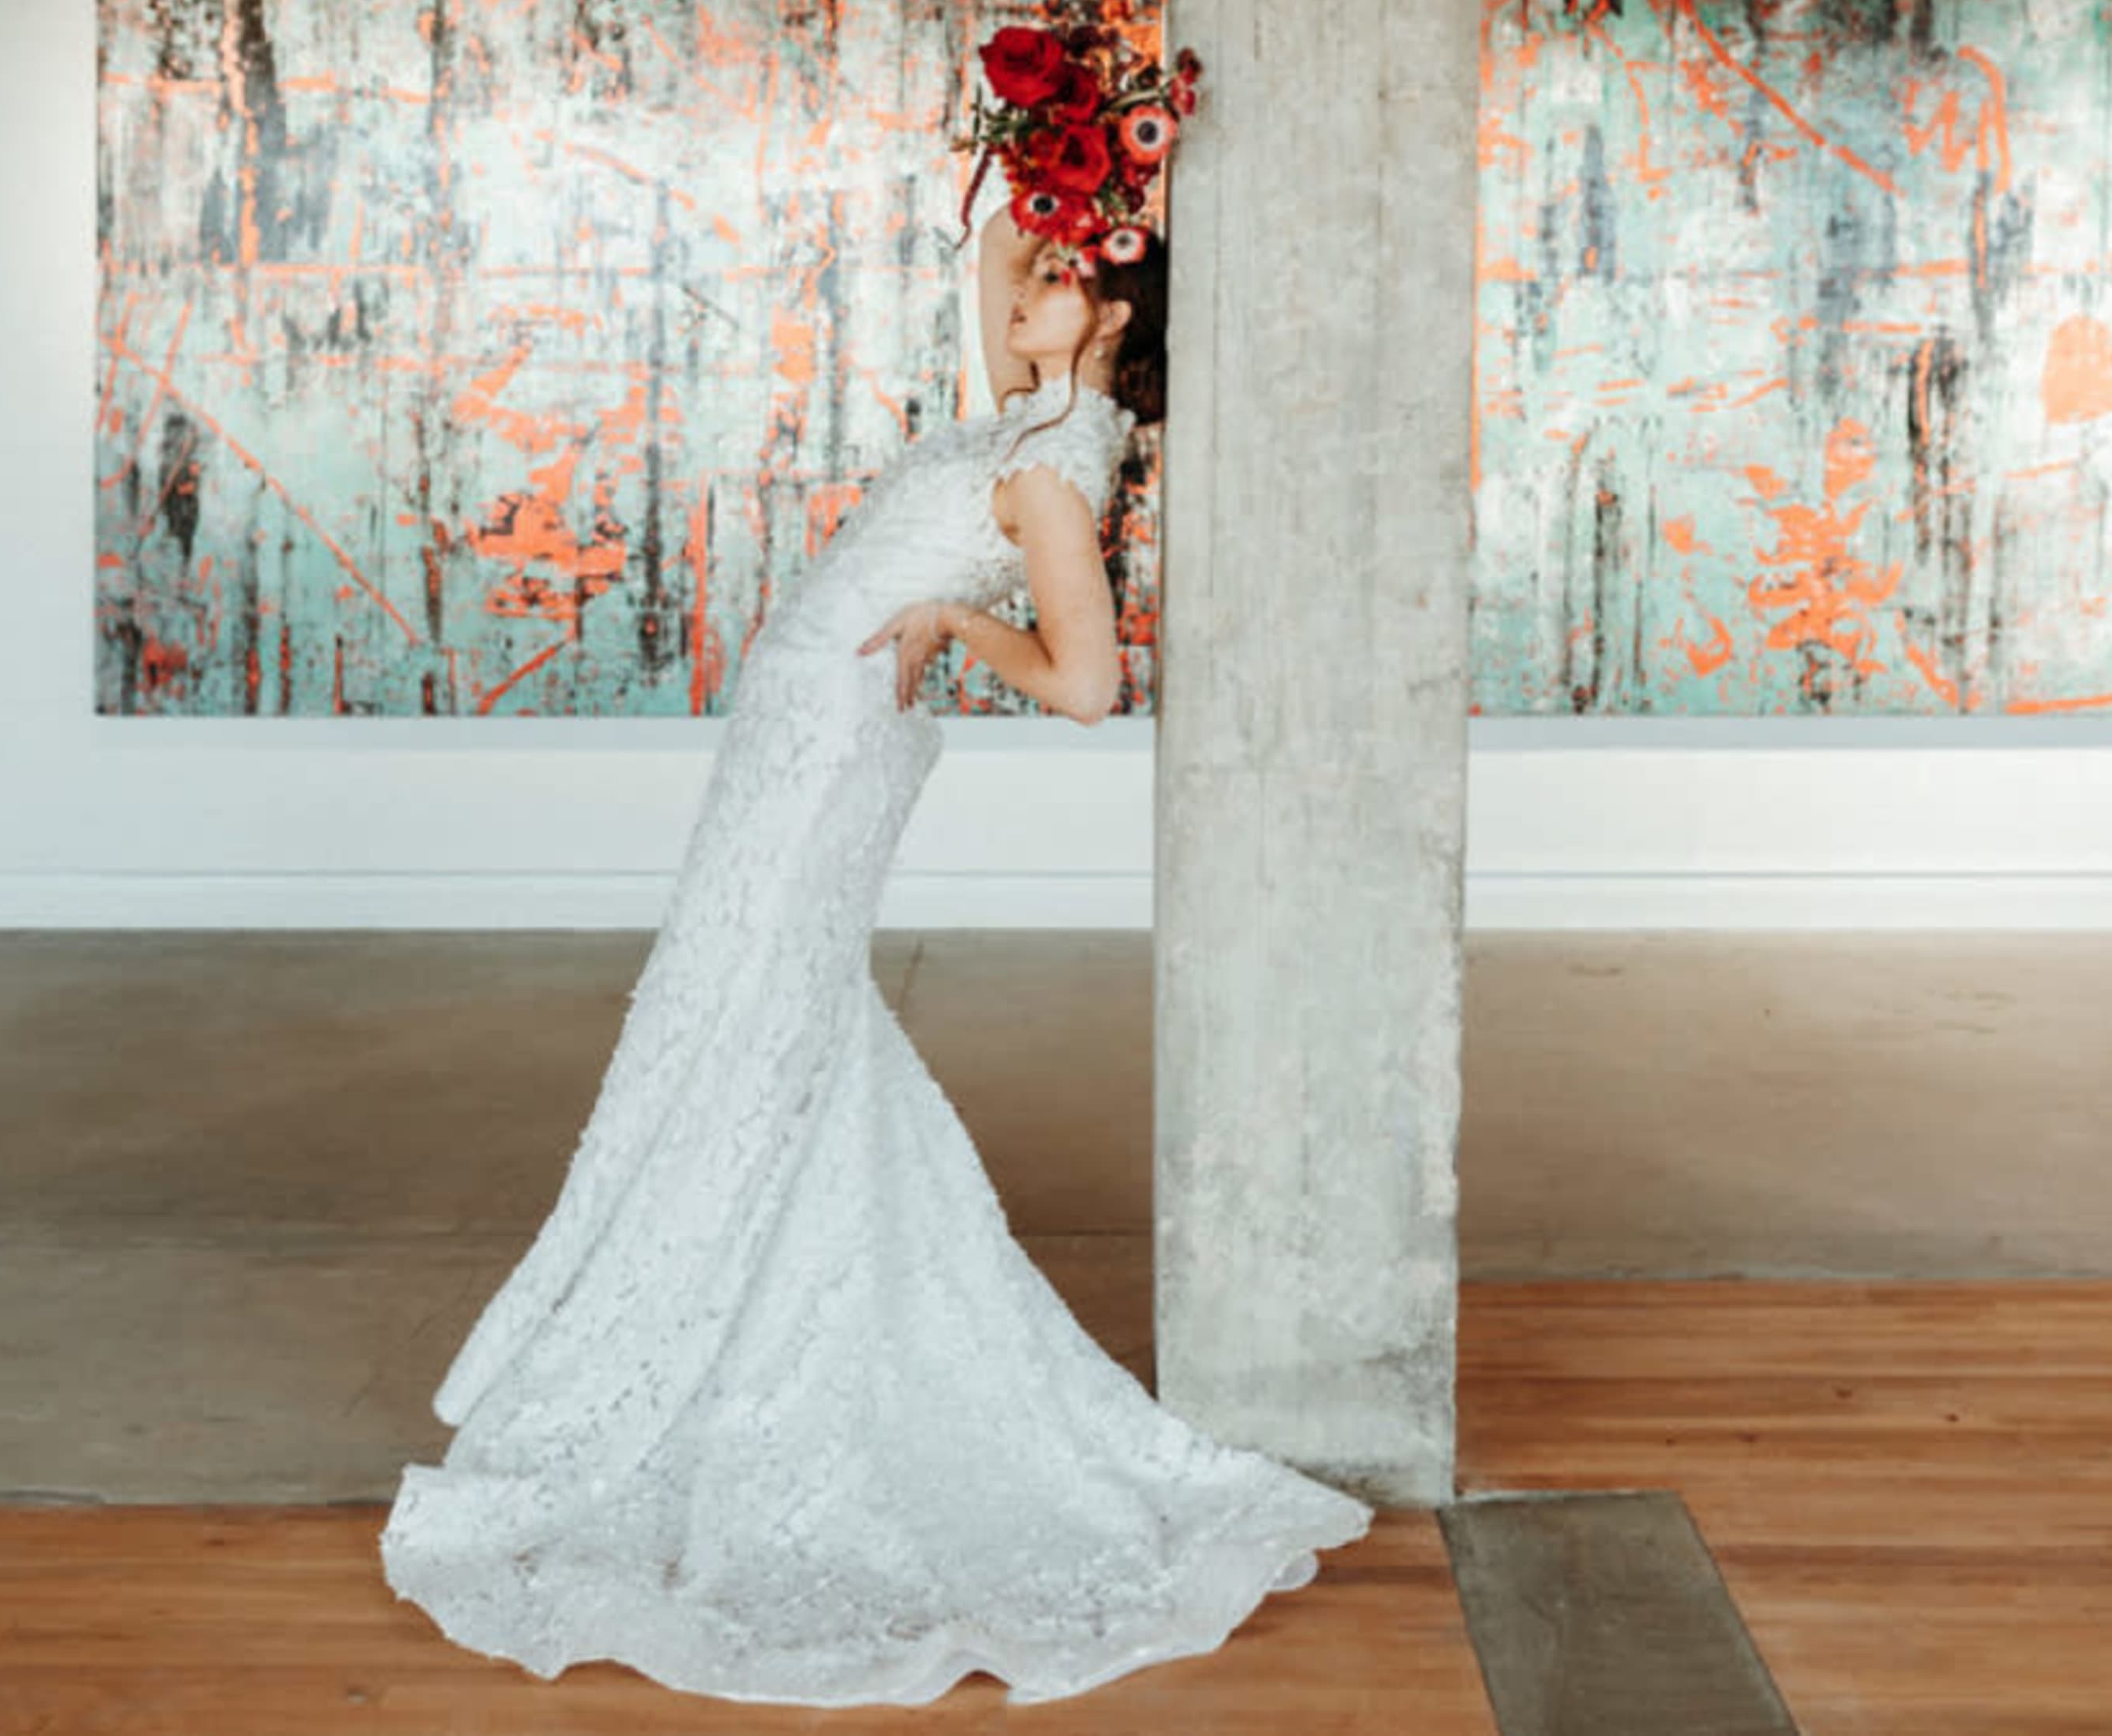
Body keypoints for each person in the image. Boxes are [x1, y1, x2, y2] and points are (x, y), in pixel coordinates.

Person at [377, 203, 1374, 1707]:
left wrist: (954, 621)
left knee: (756, 1017)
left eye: (1067, 278)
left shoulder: (1056, 462)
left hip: (835, 752)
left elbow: (1089, 685)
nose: (1033, 289)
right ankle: (723, 1305)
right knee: (743, 1013)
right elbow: (993, 244)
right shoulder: (1031, 406)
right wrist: (1061, 144)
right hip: (795, 730)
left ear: (1113, 319)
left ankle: (716, 1346)